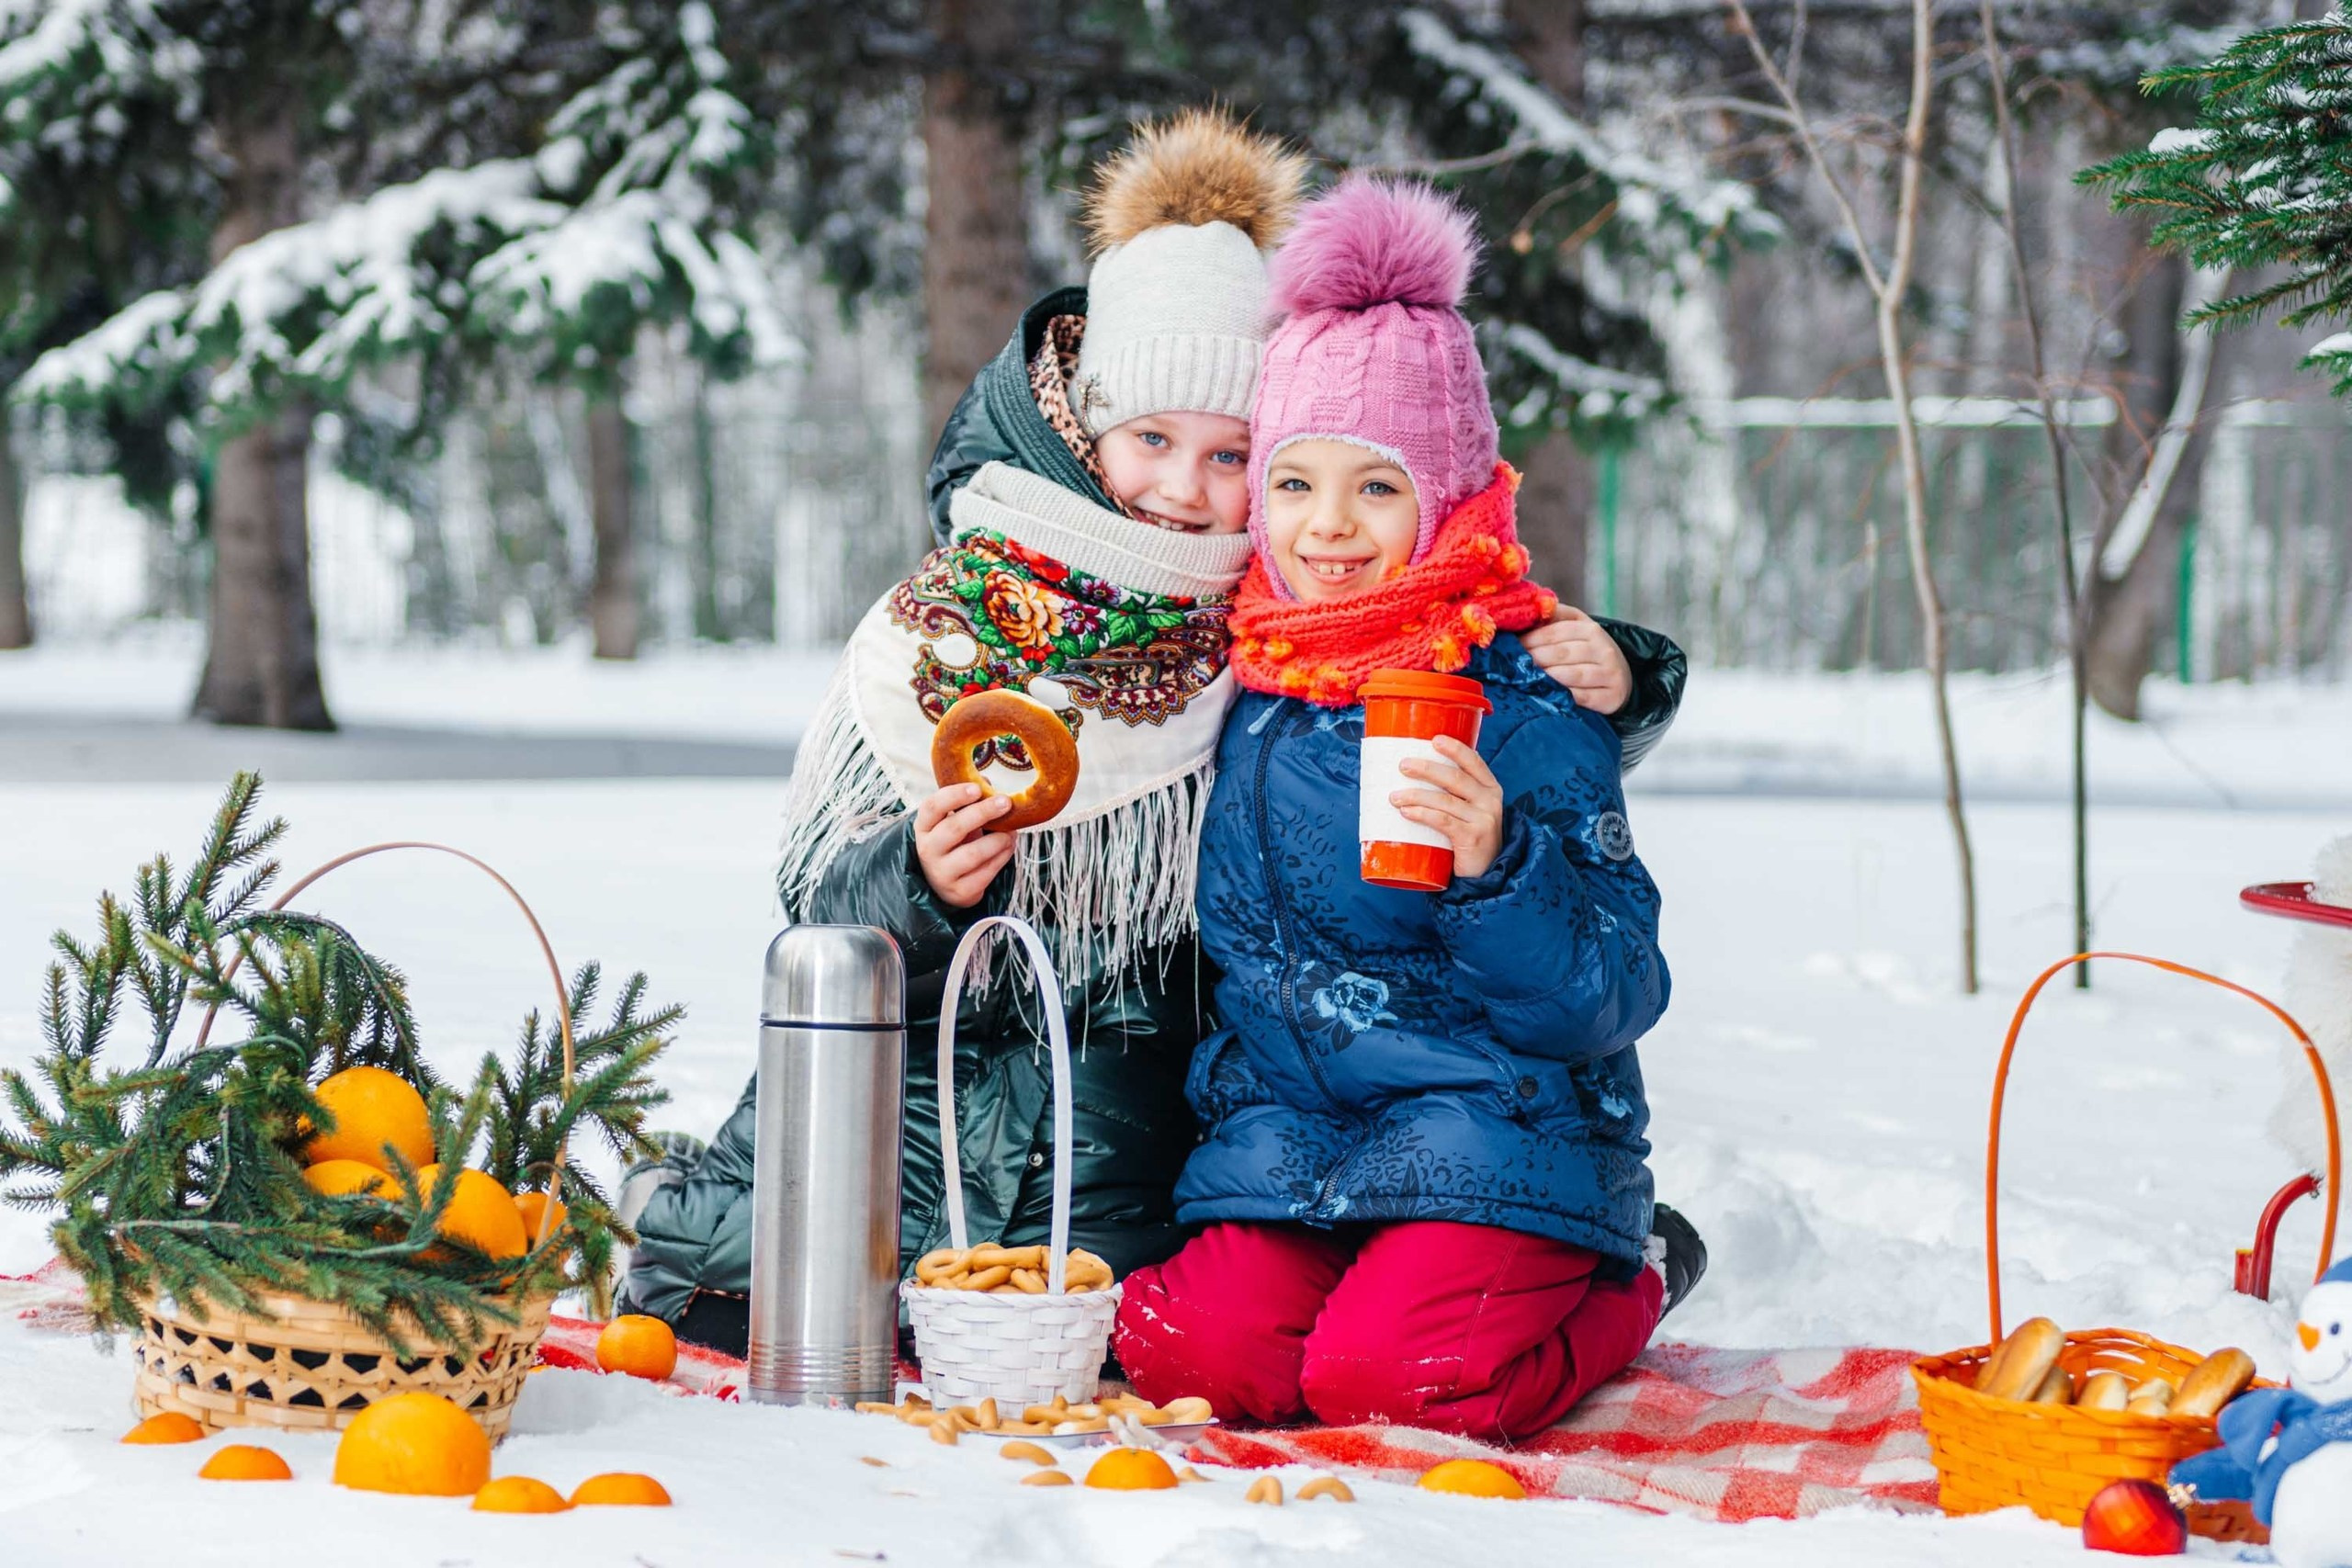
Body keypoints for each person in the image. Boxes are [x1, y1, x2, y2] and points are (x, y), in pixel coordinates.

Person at [618, 117, 1685, 1356]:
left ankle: (1544, 1264)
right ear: (1082, 422)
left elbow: (1464, 633)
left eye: (1232, 454)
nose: (1183, 489)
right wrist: (913, 880)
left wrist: (1624, 672)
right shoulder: (947, 613)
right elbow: (816, 912)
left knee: (1132, 1334)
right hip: (884, 1110)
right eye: (1152, 441)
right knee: (746, 1293)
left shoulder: (1269, 613)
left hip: (1118, 1137)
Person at [1113, 176, 1705, 1442]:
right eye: (1293, 483)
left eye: (1376, 489)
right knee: (1183, 1362)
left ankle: (1637, 1273)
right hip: (1294, 1137)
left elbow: (1615, 991)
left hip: (1497, 1138)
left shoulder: (1526, 694)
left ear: (1442, 494)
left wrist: (1497, 864)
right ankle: (1360, 1291)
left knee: (1392, 1391)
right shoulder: (1242, 675)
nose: (1327, 528)